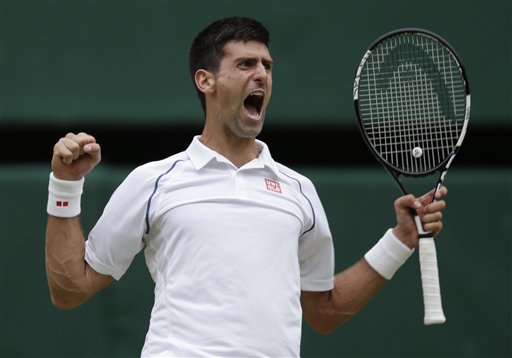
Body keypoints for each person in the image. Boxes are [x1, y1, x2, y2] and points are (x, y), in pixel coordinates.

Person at [45, 16, 448, 357]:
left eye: (267, 66)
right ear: (206, 80)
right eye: (245, 64)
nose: (262, 74)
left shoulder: (299, 191)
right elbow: (70, 289)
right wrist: (66, 184)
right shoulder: (154, 181)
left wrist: (400, 240)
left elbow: (323, 312)